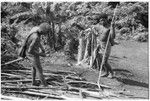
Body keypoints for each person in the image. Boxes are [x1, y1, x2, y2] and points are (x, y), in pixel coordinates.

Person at [93, 13, 118, 78]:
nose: (102, 21)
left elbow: (113, 36)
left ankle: (112, 73)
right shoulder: (99, 26)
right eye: (101, 20)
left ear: (106, 20)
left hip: (106, 46)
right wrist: (93, 31)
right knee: (101, 60)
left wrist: (113, 27)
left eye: (104, 20)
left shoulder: (109, 27)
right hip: (101, 45)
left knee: (104, 61)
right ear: (99, 21)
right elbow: (93, 28)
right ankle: (106, 72)